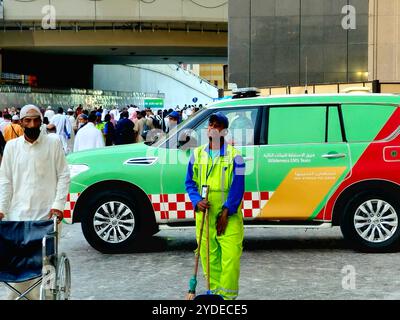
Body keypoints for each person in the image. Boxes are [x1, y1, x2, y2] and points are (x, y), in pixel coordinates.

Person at [0, 104, 70, 300]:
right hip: (18, 215)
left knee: (46, 265)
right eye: (27, 120)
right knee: (19, 264)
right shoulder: (12, 147)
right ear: (21, 123)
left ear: (41, 121)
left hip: (46, 216)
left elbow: (64, 176)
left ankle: (45, 297)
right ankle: (18, 296)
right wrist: (1, 209)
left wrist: (58, 206)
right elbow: (5, 180)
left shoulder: (53, 143)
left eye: (35, 119)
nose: (32, 123)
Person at [185, 112, 245, 300]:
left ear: (225, 131)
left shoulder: (237, 156)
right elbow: (189, 182)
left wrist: (226, 211)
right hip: (204, 214)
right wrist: (196, 201)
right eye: (211, 124)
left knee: (231, 258)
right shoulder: (196, 154)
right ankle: (216, 297)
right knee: (209, 259)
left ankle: (227, 299)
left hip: (229, 214)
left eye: (217, 125)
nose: (212, 127)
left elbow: (238, 186)